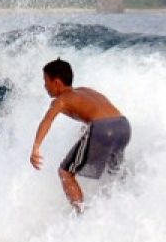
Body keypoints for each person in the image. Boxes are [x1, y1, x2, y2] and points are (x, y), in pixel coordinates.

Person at [29, 58, 131, 212]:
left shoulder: (61, 101)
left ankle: (82, 214)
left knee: (65, 172)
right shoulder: (87, 90)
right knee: (114, 171)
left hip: (102, 129)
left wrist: (36, 147)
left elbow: (47, 121)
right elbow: (99, 112)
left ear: (56, 82)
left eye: (46, 81)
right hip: (123, 126)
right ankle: (129, 201)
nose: (45, 86)